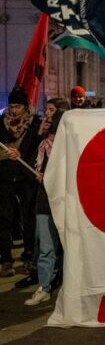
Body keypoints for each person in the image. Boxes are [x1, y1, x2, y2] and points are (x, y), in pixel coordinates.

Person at [14, 97, 69, 289]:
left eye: (51, 110)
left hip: (60, 195)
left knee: (60, 242)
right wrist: (38, 135)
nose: (46, 113)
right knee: (43, 242)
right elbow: (29, 158)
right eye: (47, 110)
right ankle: (43, 283)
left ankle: (58, 277)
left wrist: (49, 176)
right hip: (41, 195)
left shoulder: (67, 138)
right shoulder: (41, 135)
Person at [0, 88, 42, 277]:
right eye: (12, 106)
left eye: (18, 106)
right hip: (5, 175)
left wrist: (21, 154)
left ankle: (28, 255)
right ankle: (6, 259)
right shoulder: (1, 122)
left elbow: (37, 148)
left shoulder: (35, 125)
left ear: (25, 107)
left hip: (26, 176)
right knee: (4, 217)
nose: (14, 110)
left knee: (28, 217)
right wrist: (6, 153)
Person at [24, 110, 65, 306]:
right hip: (45, 202)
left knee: (67, 247)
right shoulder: (42, 146)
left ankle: (64, 283)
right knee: (46, 248)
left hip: (65, 202)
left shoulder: (67, 148)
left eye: (50, 122)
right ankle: (44, 287)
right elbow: (32, 165)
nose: (47, 125)